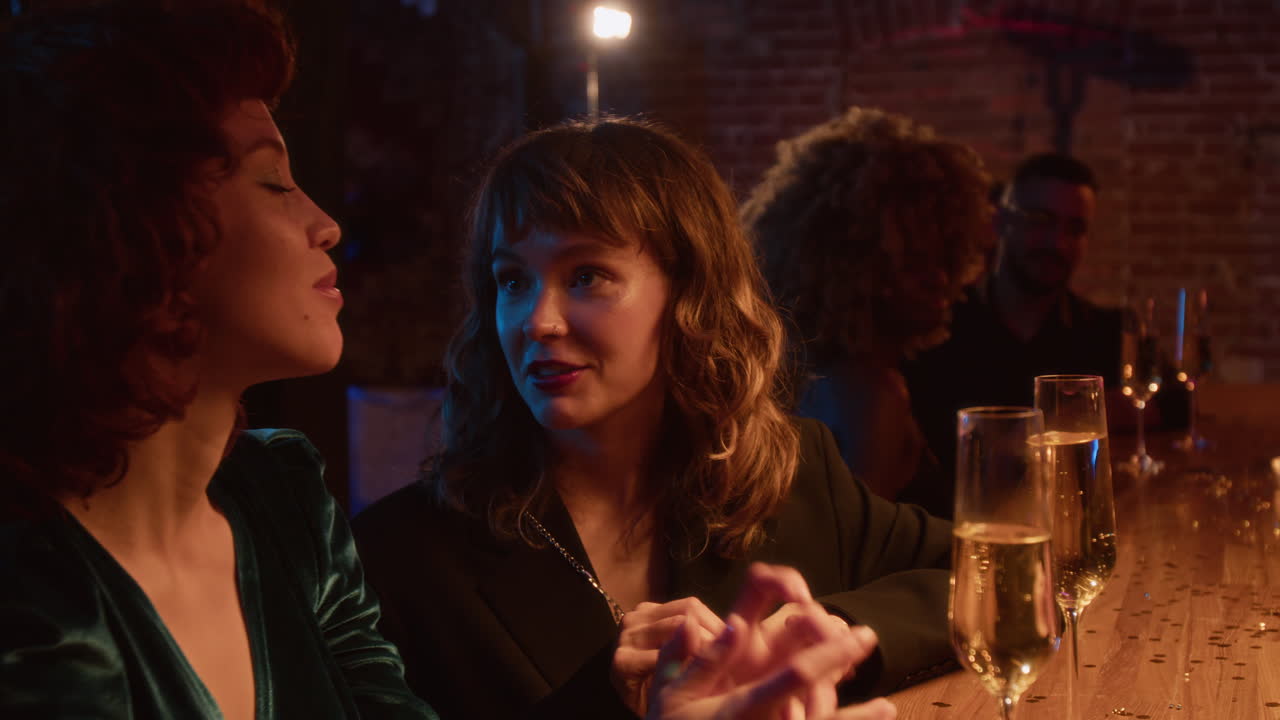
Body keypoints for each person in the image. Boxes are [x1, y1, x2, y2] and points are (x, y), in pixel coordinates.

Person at [352, 117, 954, 719]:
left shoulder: (800, 473)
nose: (537, 321)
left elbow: (991, 579)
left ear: (690, 293)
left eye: (586, 276)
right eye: (512, 280)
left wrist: (826, 634)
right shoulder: (401, 555)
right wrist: (608, 701)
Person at [0, 2, 435, 717]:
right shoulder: (34, 587)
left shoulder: (284, 502)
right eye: (274, 182)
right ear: (137, 234)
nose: (326, 224)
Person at [742, 107, 993, 504]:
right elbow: (850, 552)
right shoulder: (871, 394)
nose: (939, 279)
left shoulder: (809, 376)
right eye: (911, 263)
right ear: (853, 270)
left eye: (944, 257)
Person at [903, 152, 1124, 517]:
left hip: (1071, 526)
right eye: (1041, 221)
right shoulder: (937, 330)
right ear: (1000, 219)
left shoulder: (1102, 330)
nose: (1058, 243)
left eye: (1075, 228)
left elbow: (1175, 399)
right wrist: (1074, 416)